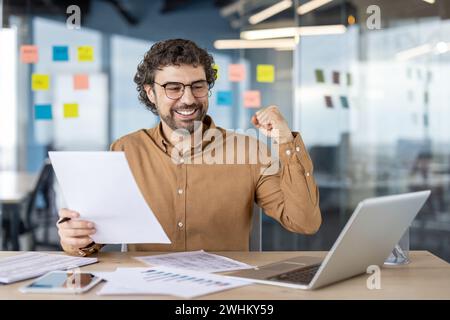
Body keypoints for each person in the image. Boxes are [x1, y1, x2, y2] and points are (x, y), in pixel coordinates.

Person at [57, 39, 321, 257]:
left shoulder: (249, 151)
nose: (188, 99)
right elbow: (95, 236)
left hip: (226, 292)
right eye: (173, 88)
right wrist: (75, 238)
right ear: (150, 93)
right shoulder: (125, 150)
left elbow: (304, 222)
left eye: (198, 86)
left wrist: (285, 142)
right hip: (147, 290)